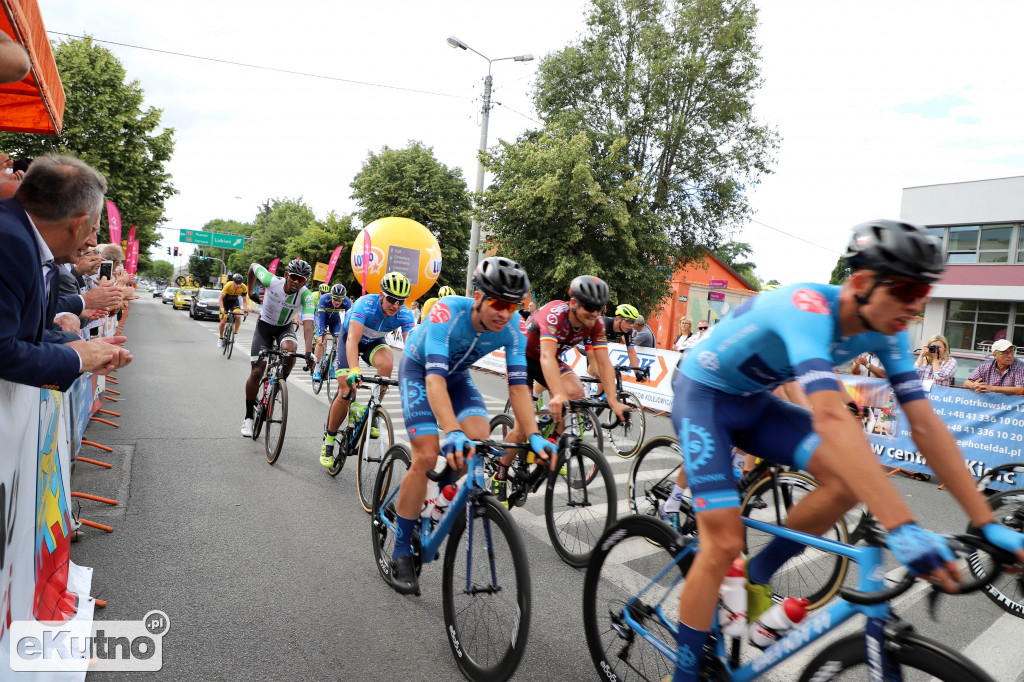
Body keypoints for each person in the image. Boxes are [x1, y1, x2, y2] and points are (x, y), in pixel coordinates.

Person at [666, 219, 1024, 682]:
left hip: (755, 403)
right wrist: (903, 527)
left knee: (847, 482)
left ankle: (756, 574)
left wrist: (987, 523)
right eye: (906, 290)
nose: (916, 306)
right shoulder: (808, 308)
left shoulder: (888, 330)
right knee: (722, 541)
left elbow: (925, 425)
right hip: (705, 398)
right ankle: (683, 673)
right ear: (861, 282)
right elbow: (834, 418)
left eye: (924, 292)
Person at [388, 256, 554, 595]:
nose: (504, 313)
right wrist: (451, 430)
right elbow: (434, 381)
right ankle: (401, 550)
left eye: (513, 306)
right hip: (421, 371)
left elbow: (519, 387)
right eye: (496, 302)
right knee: (427, 453)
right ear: (477, 296)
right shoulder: (447, 312)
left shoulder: (513, 329)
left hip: (457, 378)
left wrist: (534, 435)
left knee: (478, 440)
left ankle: (432, 497)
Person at [0, 154, 132, 390]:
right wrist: (79, 357)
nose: (92, 244)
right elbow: (4, 350)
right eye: (92, 229)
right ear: (78, 224)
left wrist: (79, 347)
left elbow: (25, 336)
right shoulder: (10, 244)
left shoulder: (22, 241)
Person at [495, 276, 632, 504]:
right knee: (522, 426)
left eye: (599, 308)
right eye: (589, 307)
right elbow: (547, 355)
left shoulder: (595, 324)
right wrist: (557, 394)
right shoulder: (555, 314)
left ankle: (551, 443)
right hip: (524, 360)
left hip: (548, 360)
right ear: (574, 303)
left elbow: (604, 363)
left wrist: (613, 400)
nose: (594, 313)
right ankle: (499, 473)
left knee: (577, 394)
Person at [319, 272, 416, 467]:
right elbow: (353, 339)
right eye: (391, 299)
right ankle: (328, 441)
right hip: (350, 340)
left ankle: (371, 408)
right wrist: (354, 369)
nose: (395, 305)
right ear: (381, 295)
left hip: (373, 343)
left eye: (401, 301)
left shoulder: (405, 313)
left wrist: (417, 375)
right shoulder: (365, 304)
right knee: (346, 391)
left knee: (388, 363)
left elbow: (413, 347)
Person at [241, 259, 316, 437]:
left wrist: (308, 351)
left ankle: (279, 384)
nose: (297, 282)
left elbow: (308, 322)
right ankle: (248, 417)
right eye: (294, 277)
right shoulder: (271, 281)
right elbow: (252, 266)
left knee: (290, 351)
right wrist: (250, 292)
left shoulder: (306, 295)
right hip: (264, 327)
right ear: (286, 276)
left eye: (302, 280)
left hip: (284, 327)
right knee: (257, 372)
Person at [311, 283, 351, 380]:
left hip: (335, 321)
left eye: (340, 299)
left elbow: (349, 319)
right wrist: (321, 333)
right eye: (335, 299)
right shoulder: (324, 298)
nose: (337, 302)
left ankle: (332, 364)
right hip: (322, 318)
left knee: (340, 342)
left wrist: (347, 333)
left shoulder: (347, 302)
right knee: (321, 341)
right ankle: (316, 370)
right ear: (331, 295)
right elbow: (320, 317)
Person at [218, 273, 249, 347]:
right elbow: (220, 298)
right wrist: (222, 309)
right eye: (236, 284)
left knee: (238, 316)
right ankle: (221, 338)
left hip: (234, 302)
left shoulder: (244, 287)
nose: (238, 286)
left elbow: (245, 300)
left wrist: (245, 310)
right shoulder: (228, 285)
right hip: (225, 302)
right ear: (233, 282)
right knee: (223, 322)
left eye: (239, 284)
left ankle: (235, 333)